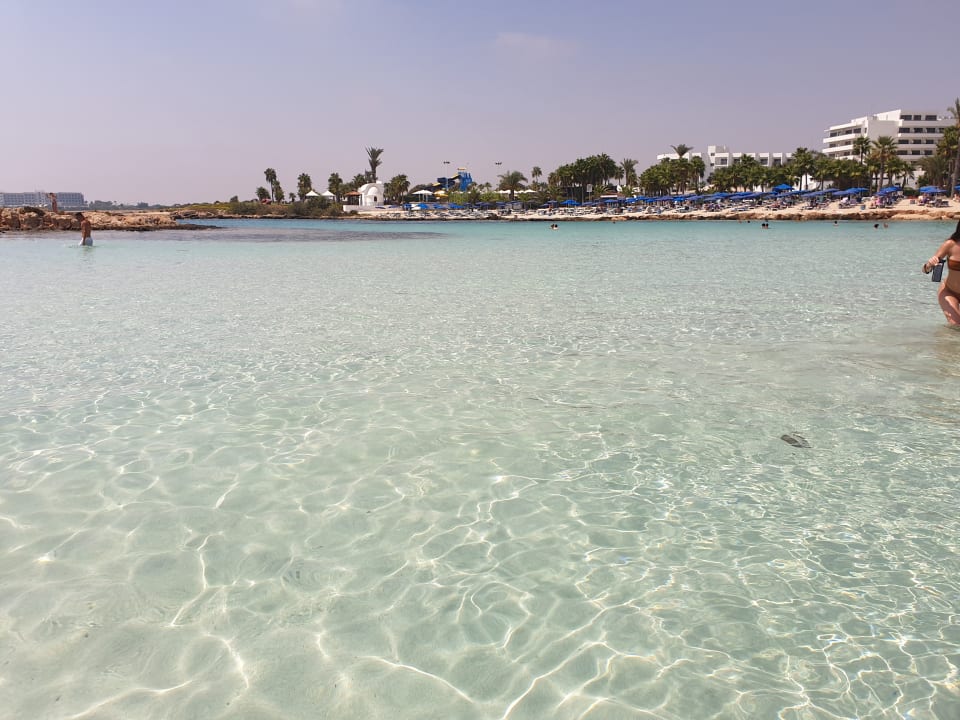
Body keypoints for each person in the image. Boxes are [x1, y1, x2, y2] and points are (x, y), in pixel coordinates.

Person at [922, 219, 960, 325]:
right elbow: (925, 270)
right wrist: (929, 265)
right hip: (949, 291)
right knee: (956, 326)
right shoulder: (950, 244)